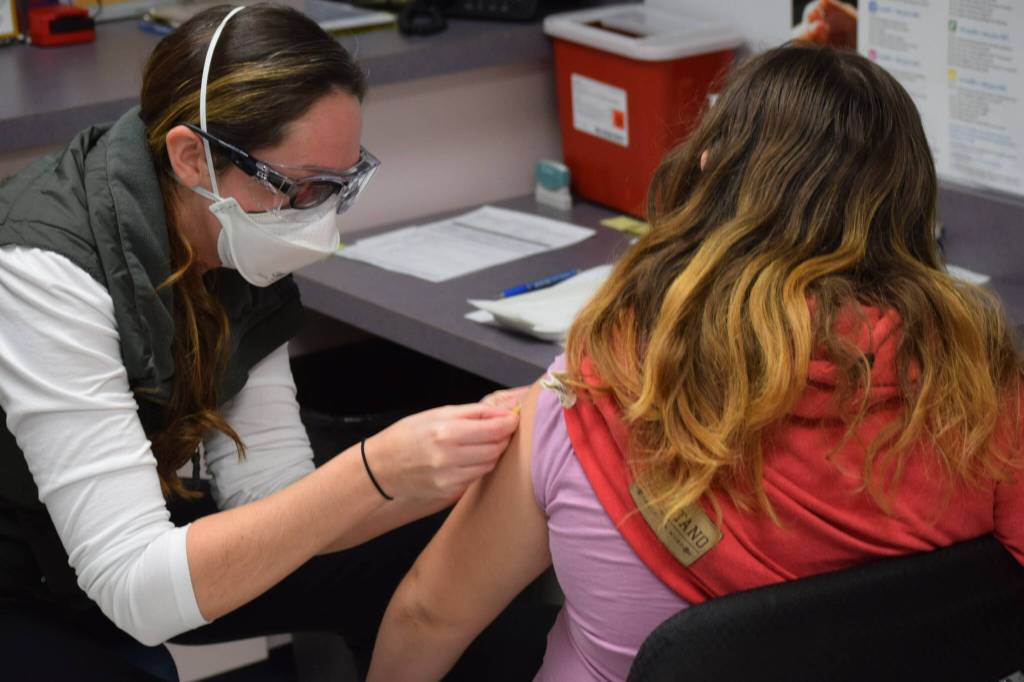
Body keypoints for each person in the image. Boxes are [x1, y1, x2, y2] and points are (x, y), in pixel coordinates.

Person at [366, 44, 1024, 682]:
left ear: (711, 167)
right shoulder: (986, 392)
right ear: (910, 205)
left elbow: (430, 613)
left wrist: (546, 412)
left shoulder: (605, 380)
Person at [0, 4, 541, 678]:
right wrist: (376, 472)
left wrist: (453, 464)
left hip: (141, 516)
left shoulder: (233, 237)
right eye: (301, 187)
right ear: (193, 156)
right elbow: (138, 590)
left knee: (458, 548)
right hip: (28, 576)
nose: (318, 220)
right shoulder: (44, 269)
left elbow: (270, 494)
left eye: (339, 187)